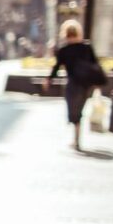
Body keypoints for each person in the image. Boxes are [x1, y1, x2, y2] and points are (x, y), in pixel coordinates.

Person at [44, 19, 99, 150]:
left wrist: (48, 80)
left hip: (72, 84)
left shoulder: (64, 50)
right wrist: (96, 82)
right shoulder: (87, 47)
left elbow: (56, 67)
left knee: (73, 110)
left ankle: (76, 136)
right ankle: (77, 137)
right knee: (80, 109)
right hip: (85, 84)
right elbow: (95, 65)